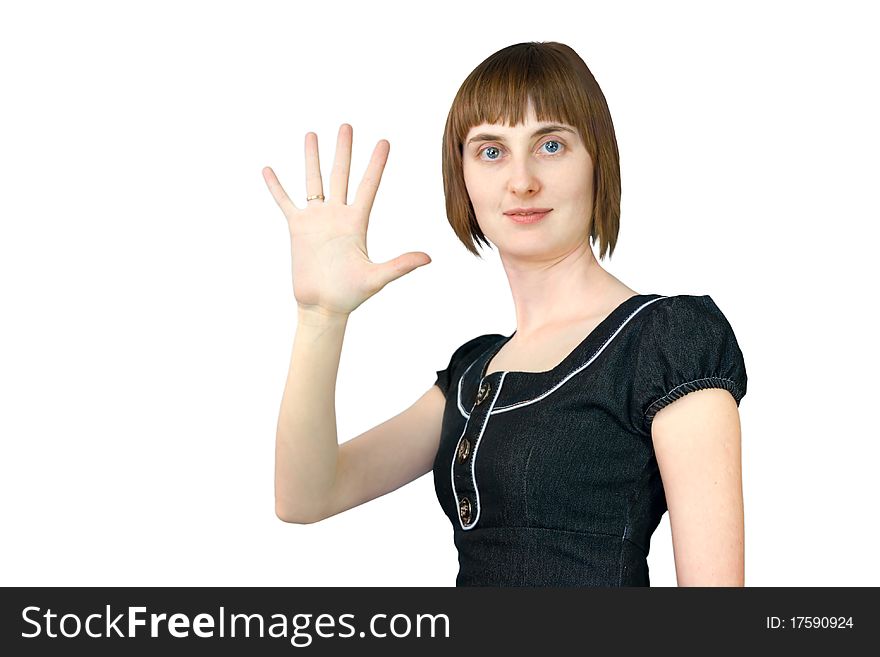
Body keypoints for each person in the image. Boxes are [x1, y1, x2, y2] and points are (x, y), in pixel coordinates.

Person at [263, 41, 748, 587]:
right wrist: (320, 317)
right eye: (491, 151)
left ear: (598, 162)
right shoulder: (473, 373)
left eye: (551, 144)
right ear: (463, 178)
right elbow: (306, 496)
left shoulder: (667, 340)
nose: (521, 180)